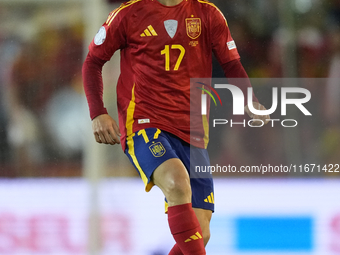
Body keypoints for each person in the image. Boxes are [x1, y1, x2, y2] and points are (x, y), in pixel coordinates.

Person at [82, 0, 269, 254]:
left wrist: (249, 99)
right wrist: (98, 113)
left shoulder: (208, 14)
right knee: (177, 181)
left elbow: (231, 63)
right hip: (145, 124)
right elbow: (93, 61)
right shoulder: (128, 14)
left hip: (193, 130)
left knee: (200, 234)